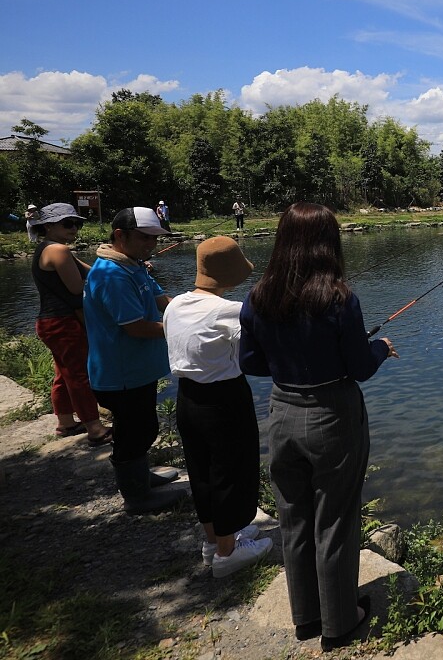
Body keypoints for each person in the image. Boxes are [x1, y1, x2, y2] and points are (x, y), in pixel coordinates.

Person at [239, 203, 398, 650]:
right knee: (336, 518)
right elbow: (360, 367)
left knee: (294, 517)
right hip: (332, 413)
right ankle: (341, 623)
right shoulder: (340, 298)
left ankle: (306, 617)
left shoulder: (257, 297)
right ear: (329, 243)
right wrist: (381, 348)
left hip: (282, 411)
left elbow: (249, 361)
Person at [164, 237, 272, 578]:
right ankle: (228, 555)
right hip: (224, 400)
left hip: (187, 399)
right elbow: (257, 352)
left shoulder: (176, 304)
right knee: (231, 472)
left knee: (202, 470)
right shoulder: (229, 311)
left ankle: (215, 541)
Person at [83, 206, 187, 514]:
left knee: (143, 426)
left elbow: (161, 301)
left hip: (138, 370)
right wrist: (183, 329)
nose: (151, 244)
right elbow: (137, 327)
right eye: (144, 237)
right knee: (134, 431)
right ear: (120, 235)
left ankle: (141, 476)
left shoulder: (133, 265)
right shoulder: (113, 275)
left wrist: (191, 309)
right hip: (121, 372)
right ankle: (136, 496)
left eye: (155, 238)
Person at [30, 203, 111, 445]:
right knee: (78, 374)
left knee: (63, 373)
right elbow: (78, 288)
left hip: (48, 322)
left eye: (77, 223)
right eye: (68, 223)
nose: (74, 228)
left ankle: (65, 422)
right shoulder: (59, 251)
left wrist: (121, 266)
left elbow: (93, 272)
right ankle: (94, 428)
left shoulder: (49, 248)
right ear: (48, 226)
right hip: (64, 322)